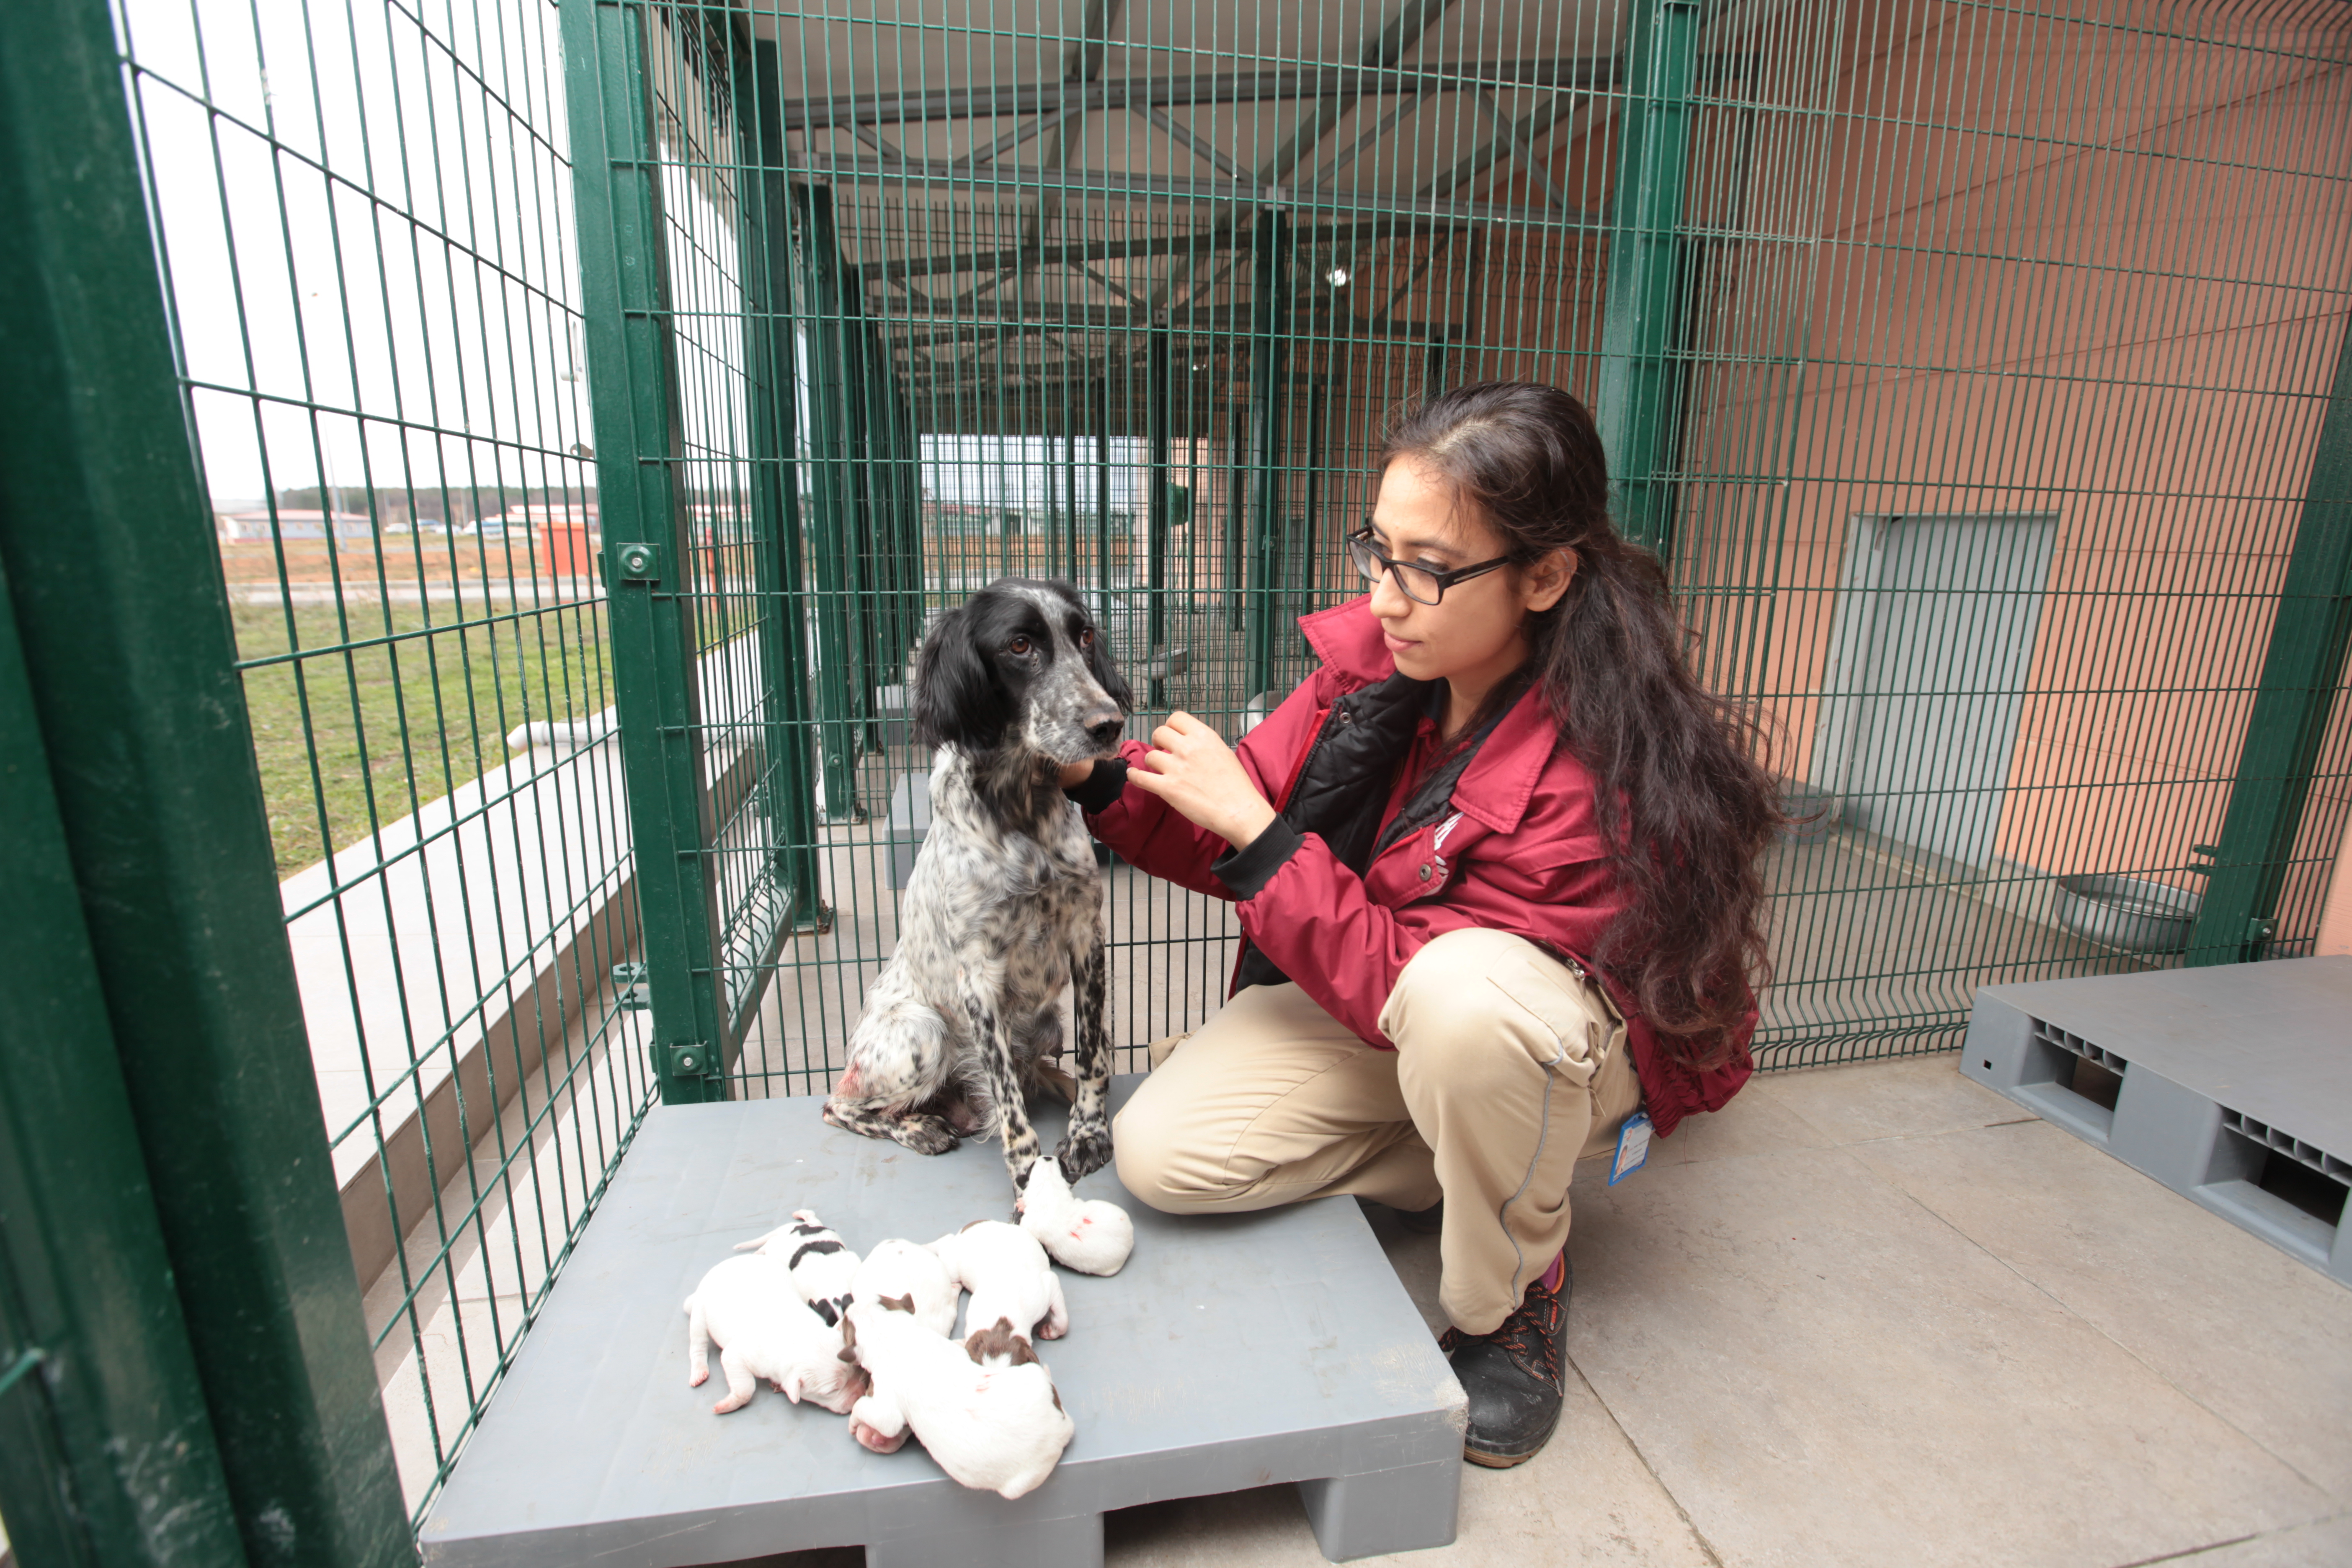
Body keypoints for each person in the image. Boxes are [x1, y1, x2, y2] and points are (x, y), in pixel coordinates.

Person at [1056, 381, 1780, 1467]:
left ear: (1545, 576)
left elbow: (1421, 969)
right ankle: (1468, 1149)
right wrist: (1096, 781)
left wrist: (1264, 839)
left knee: (1466, 1008)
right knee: (1163, 1159)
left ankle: (1519, 1289)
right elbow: (1232, 823)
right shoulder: (1382, 669)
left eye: (1428, 567)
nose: (1389, 597)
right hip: (1399, 1007)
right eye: (1377, 551)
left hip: (1547, 1039)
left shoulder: (1602, 763)